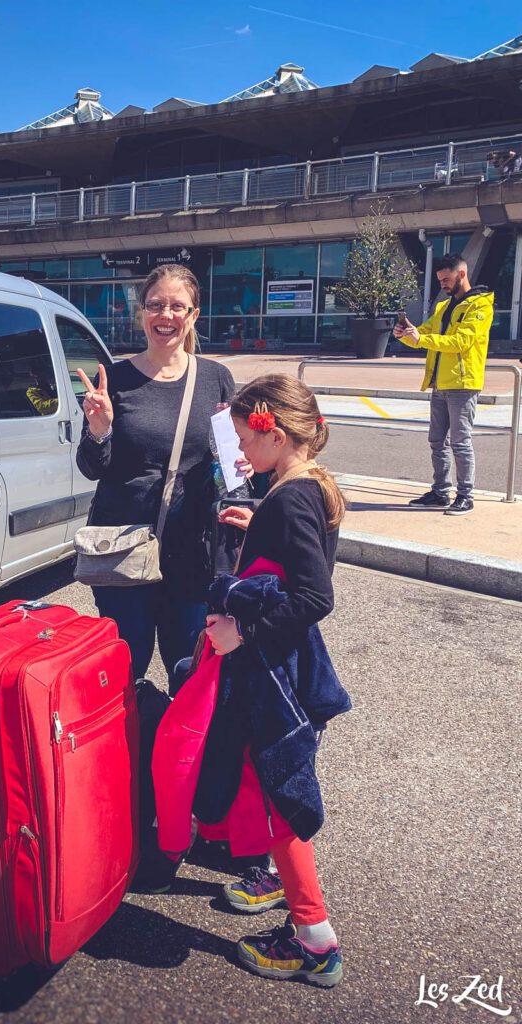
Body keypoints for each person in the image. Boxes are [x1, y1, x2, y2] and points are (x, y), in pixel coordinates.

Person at [152, 373, 350, 987]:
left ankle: (315, 941)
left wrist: (243, 635)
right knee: (259, 779)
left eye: (244, 437)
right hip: (278, 667)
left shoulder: (290, 499)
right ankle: (275, 881)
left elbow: (316, 595)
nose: (238, 451)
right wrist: (257, 520)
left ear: (277, 431)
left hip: (271, 672)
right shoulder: (303, 486)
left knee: (280, 794)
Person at [75, 263, 248, 680]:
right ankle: (126, 745)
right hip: (122, 549)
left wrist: (242, 472)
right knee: (122, 671)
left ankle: (179, 746)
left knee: (189, 668)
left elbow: (230, 463)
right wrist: (99, 431)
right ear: (142, 312)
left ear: (193, 316)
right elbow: (91, 468)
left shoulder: (215, 379)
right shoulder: (113, 379)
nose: (165, 316)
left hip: (192, 553)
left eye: (177, 306)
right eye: (155, 305)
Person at [394, 254, 494, 516]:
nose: (443, 285)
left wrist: (421, 338)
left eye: (447, 279)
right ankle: (440, 492)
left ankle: (465, 496)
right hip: (440, 382)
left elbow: (461, 342)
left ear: (462, 274)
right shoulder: (444, 306)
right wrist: (405, 334)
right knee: (437, 441)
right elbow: (424, 334)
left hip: (463, 383)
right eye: (440, 281)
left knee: (460, 442)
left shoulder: (480, 307)